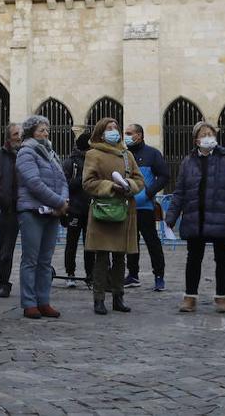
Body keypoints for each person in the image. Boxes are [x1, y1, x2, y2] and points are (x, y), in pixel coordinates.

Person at [165, 121, 225, 315]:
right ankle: (190, 297)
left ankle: (222, 297)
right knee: (193, 259)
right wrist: (171, 218)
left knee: (222, 258)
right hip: (196, 217)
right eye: (204, 134)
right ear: (196, 140)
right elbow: (180, 192)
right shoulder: (188, 162)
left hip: (222, 217)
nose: (208, 136)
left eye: (211, 133)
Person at [82, 118, 145, 314]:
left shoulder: (126, 154)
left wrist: (129, 186)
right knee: (101, 257)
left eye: (115, 128)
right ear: (101, 133)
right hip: (103, 210)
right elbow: (88, 182)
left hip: (123, 209)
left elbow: (139, 180)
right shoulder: (93, 154)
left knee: (120, 257)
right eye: (109, 129)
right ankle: (99, 298)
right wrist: (111, 186)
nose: (114, 131)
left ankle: (118, 297)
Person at [14, 115, 69, 319]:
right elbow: (33, 182)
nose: (45, 133)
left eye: (47, 129)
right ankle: (29, 302)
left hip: (52, 212)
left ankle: (43, 300)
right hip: (32, 210)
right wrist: (59, 202)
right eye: (41, 130)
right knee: (31, 259)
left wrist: (63, 201)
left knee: (45, 260)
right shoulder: (26, 152)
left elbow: (63, 179)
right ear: (31, 132)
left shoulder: (51, 153)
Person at [124, 123, 168, 291]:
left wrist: (149, 193)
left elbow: (164, 175)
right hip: (127, 206)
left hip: (145, 206)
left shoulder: (152, 154)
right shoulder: (124, 155)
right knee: (130, 242)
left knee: (152, 241)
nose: (126, 136)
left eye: (129, 133)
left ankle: (159, 275)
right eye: (125, 133)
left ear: (139, 135)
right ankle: (133, 275)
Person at [61, 132, 94, 288]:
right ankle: (70, 273)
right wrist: (84, 179)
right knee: (71, 243)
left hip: (90, 209)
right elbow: (65, 184)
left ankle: (90, 274)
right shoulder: (71, 162)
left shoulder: (94, 160)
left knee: (90, 244)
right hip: (74, 209)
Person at [0, 123, 23, 297]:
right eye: (15, 134)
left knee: (32, 249)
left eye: (21, 134)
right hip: (8, 207)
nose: (18, 137)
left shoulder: (27, 154)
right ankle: (4, 283)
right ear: (8, 137)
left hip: (27, 205)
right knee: (6, 249)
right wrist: (0, 198)